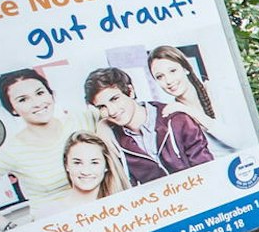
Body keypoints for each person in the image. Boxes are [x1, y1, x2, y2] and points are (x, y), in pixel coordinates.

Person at [0, 69, 90, 231]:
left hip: (107, 217)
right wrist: (8, 227)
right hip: (58, 229)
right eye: (23, 99)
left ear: (51, 95)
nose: (36, 103)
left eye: (40, 93)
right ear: (13, 109)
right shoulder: (12, 150)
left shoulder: (80, 120)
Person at [83, 66, 214, 184]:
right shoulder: (113, 142)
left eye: (115, 99)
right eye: (102, 107)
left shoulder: (177, 119)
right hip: (158, 208)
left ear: (130, 91)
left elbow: (207, 169)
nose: (112, 111)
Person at [149, 45, 248, 155]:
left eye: (172, 71)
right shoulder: (173, 113)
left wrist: (189, 111)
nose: (168, 80)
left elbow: (238, 141)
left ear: (185, 68)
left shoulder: (218, 90)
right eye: (160, 77)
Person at [57, 131, 129, 205]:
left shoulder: (124, 204)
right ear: (66, 165)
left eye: (94, 163)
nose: (86, 171)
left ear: (106, 165)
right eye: (77, 163)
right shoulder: (51, 212)